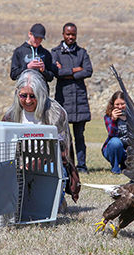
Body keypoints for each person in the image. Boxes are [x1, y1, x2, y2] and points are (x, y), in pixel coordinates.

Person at [2, 69, 80, 206]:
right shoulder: (10, 116)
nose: (27, 101)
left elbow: (62, 151)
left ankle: (55, 199)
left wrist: (33, 164)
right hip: (19, 165)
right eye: (23, 95)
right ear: (17, 93)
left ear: (42, 94)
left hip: (48, 164)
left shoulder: (56, 114)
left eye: (33, 96)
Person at [51, 22, 93, 174]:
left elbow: (88, 71)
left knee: (79, 136)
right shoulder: (55, 53)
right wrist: (76, 70)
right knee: (63, 137)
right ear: (63, 34)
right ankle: (67, 166)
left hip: (79, 100)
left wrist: (67, 72)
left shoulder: (82, 53)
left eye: (73, 34)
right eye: (68, 34)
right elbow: (56, 72)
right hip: (63, 99)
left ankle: (82, 166)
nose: (70, 37)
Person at [10, 23, 54, 91]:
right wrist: (27, 67)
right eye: (36, 38)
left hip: (41, 91)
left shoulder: (46, 53)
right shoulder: (19, 51)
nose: (38, 41)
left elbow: (50, 77)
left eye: (40, 39)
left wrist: (43, 71)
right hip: (24, 92)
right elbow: (13, 75)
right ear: (30, 34)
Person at [101, 91, 128, 174]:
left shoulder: (133, 117)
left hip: (129, 150)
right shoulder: (108, 117)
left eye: (122, 104)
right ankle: (115, 168)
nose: (120, 107)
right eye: (117, 104)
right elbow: (112, 134)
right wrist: (113, 120)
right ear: (113, 105)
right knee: (115, 142)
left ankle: (126, 166)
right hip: (113, 149)